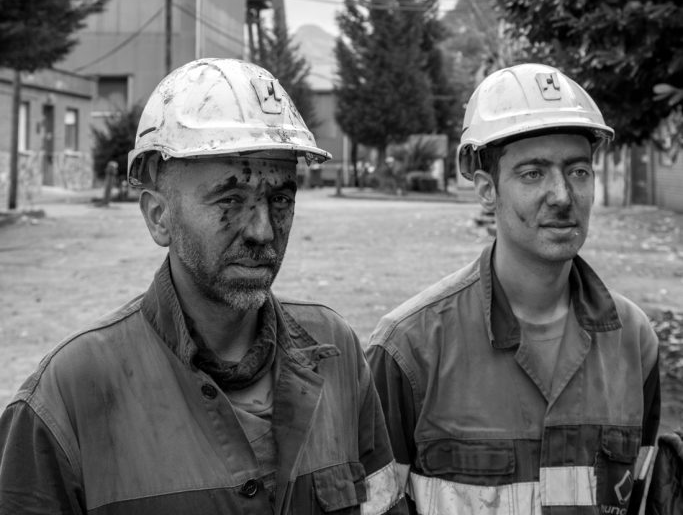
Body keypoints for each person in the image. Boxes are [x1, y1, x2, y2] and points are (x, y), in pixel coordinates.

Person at [0, 57, 407, 515]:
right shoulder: (68, 394)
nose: (262, 231)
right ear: (159, 217)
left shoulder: (337, 353)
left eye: (280, 199)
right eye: (230, 199)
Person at [367, 62, 660, 515]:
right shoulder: (410, 348)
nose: (562, 196)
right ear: (487, 189)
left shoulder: (633, 340)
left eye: (578, 171)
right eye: (533, 174)